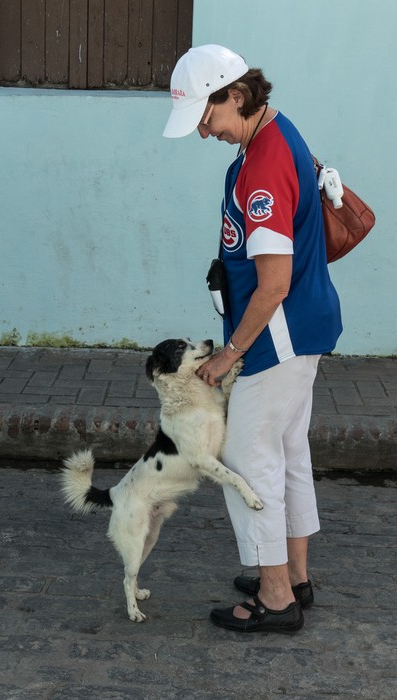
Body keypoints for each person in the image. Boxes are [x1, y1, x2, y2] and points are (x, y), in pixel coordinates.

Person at [163, 45, 342, 634]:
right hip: (298, 331)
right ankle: (293, 575)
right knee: (287, 451)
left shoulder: (263, 163)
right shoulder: (268, 137)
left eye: (205, 117)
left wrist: (227, 354)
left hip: (276, 338)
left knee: (248, 457)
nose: (202, 131)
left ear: (234, 96)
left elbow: (274, 284)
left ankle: (275, 598)